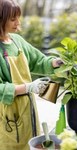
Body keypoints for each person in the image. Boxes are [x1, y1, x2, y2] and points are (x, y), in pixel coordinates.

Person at [0, 0, 63, 149]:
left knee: (31, 142)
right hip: (8, 110)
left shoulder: (17, 41)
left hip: (28, 107)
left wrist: (57, 62)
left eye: (18, 17)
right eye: (13, 19)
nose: (18, 22)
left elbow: (39, 60)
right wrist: (28, 87)